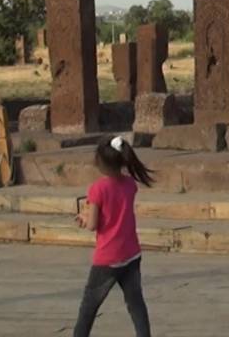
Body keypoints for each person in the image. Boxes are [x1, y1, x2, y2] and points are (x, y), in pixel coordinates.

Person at [72, 137, 154, 337]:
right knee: (136, 304)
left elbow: (93, 224)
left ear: (101, 164)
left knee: (88, 307)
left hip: (108, 258)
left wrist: (83, 218)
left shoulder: (97, 189)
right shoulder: (130, 185)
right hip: (131, 253)